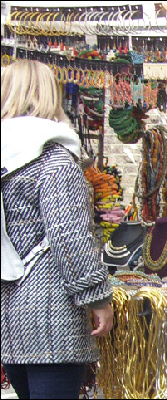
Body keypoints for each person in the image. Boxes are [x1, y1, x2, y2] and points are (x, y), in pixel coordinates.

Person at [1, 60, 114, 399]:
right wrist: (98, 298)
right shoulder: (53, 161)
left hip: (7, 312)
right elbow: (71, 239)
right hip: (49, 313)